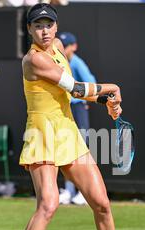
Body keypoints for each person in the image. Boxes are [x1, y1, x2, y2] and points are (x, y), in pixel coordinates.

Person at [4, 3, 142, 230]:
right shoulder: (33, 60)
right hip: (41, 132)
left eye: (49, 25)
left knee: (101, 203)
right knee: (49, 204)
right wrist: (110, 89)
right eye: (38, 25)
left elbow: (76, 94)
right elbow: (75, 89)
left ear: (56, 28)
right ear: (28, 29)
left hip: (67, 132)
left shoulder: (56, 46)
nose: (44, 31)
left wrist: (106, 101)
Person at [57, 31, 94, 206]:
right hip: (65, 109)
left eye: (67, 46)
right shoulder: (61, 63)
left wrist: (79, 99)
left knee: (81, 150)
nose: (64, 49)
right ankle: (69, 190)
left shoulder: (78, 63)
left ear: (74, 47)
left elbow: (91, 83)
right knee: (66, 149)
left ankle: (83, 192)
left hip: (78, 109)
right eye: (62, 46)